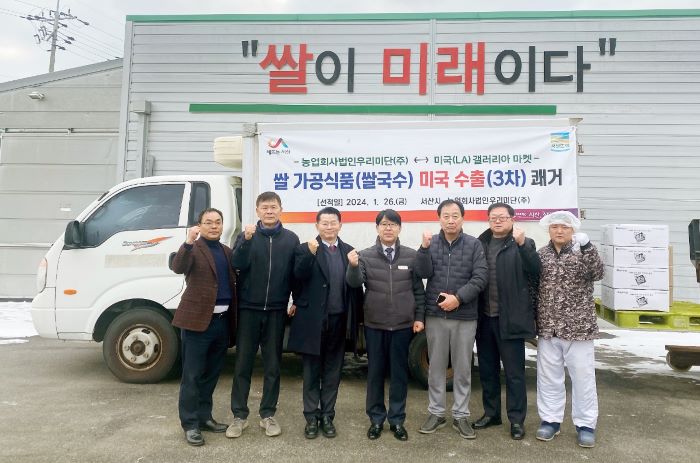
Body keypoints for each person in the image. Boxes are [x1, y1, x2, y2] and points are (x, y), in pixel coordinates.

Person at [346, 209, 426, 442]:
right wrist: (352, 266)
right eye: (383, 224)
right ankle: (376, 419)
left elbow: (418, 291)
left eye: (392, 224)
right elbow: (354, 283)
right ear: (377, 228)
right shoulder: (365, 256)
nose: (388, 228)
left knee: (399, 375)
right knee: (375, 374)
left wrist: (419, 317)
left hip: (402, 326)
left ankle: (397, 420)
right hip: (375, 324)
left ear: (400, 228)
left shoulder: (411, 256)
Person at [227, 192, 300, 438]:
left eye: (273, 207)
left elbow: (295, 274)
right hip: (249, 309)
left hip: (277, 311)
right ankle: (239, 416)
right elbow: (236, 264)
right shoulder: (247, 235)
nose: (269, 211)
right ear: (257, 211)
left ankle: (268, 414)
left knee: (273, 366)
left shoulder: (291, 239)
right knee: (242, 364)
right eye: (264, 207)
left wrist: (295, 300)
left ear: (281, 210)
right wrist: (246, 240)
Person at [415, 199, 488, 439]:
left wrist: (458, 298)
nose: (450, 220)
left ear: (463, 219)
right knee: (436, 367)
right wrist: (424, 249)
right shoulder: (431, 243)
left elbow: (480, 278)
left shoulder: (474, 245)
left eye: (455, 215)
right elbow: (423, 273)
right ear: (439, 219)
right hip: (436, 315)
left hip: (464, 316)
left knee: (462, 367)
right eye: (445, 216)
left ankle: (461, 415)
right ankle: (436, 413)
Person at [287, 207, 362, 439]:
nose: (329, 227)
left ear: (340, 225)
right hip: (312, 321)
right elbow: (296, 277)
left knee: (333, 371)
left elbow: (355, 288)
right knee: (311, 371)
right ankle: (311, 417)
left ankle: (328, 415)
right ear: (317, 226)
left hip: (339, 320)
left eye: (333, 223)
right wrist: (309, 255)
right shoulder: (305, 248)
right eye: (325, 223)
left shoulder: (349, 251)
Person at [535, 210, 604, 448]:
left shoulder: (582, 253)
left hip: (579, 328)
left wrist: (588, 248)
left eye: (564, 227)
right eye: (555, 227)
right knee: (548, 378)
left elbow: (597, 272)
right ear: (549, 230)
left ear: (573, 230)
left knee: (583, 378)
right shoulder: (541, 255)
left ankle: (586, 425)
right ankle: (550, 421)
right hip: (548, 327)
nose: (559, 231)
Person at [171, 208, 237, 446]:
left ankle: (204, 417)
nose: (214, 226)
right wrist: (188, 242)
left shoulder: (227, 251)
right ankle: (190, 424)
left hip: (221, 324)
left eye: (218, 222)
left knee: (211, 375)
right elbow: (178, 267)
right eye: (208, 222)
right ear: (199, 226)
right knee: (192, 376)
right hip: (197, 323)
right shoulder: (194, 249)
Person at [475, 203, 540, 440]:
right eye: (494, 217)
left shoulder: (523, 243)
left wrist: (523, 246)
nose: (498, 221)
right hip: (484, 319)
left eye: (503, 217)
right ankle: (491, 414)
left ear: (512, 219)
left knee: (514, 374)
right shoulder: (480, 244)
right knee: (487, 371)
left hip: (510, 319)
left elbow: (535, 270)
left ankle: (516, 420)